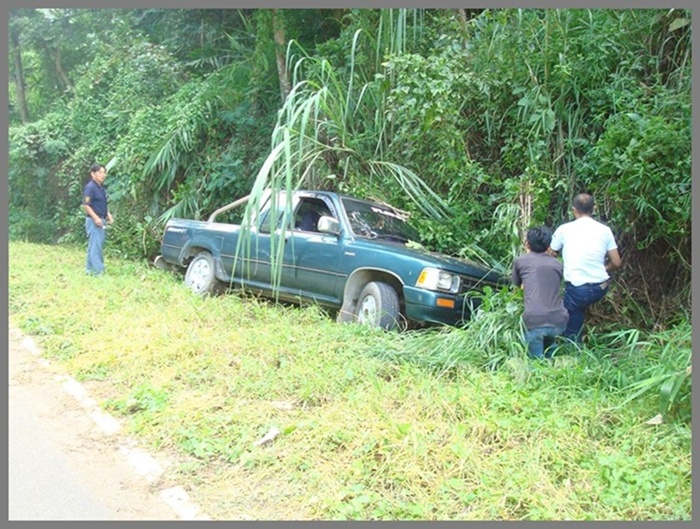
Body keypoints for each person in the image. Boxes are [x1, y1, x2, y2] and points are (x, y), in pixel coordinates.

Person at [549, 193, 622, 343]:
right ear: (594, 208)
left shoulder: (564, 229)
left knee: (571, 320)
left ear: (574, 210)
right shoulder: (605, 230)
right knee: (579, 305)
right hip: (601, 287)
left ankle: (573, 348)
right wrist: (604, 269)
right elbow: (616, 262)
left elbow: (550, 254)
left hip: (577, 289)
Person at [512, 226, 569, 359]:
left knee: (536, 363)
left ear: (527, 243)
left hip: (535, 320)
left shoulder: (520, 261)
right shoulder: (557, 264)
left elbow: (517, 284)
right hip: (558, 320)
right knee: (550, 357)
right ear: (549, 245)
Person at [82, 163, 114, 275]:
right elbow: (86, 205)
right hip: (94, 221)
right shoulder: (90, 187)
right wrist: (96, 218)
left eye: (104, 172)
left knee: (94, 245)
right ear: (93, 174)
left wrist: (108, 214)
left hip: (101, 218)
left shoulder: (100, 188)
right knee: (96, 246)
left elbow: (101, 204)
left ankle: (89, 269)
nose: (103, 175)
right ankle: (98, 271)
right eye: (100, 172)